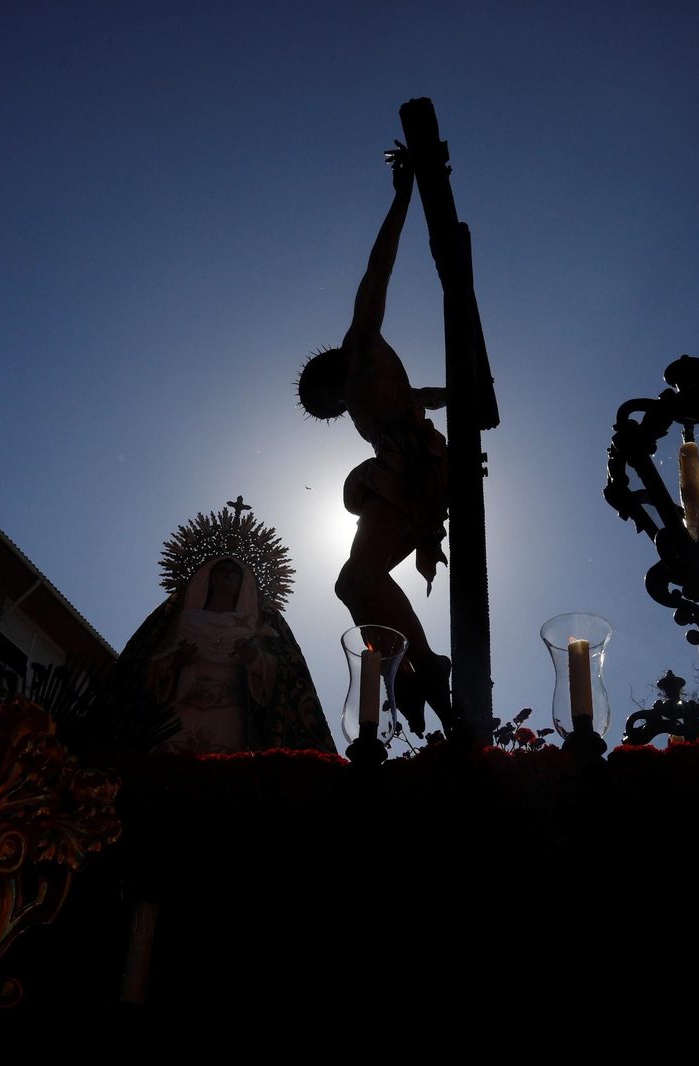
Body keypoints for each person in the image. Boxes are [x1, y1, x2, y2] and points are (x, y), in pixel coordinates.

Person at [298, 146, 452, 732]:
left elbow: (377, 269)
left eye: (325, 402)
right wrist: (450, 397)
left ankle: (424, 664)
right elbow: (422, 397)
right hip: (405, 465)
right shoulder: (372, 399)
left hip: (412, 466)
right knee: (349, 581)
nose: (337, 409)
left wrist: (402, 192)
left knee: (359, 576)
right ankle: (403, 668)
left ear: (328, 380)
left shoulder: (360, 345)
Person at [96, 508, 334, 753]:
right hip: (178, 715)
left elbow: (289, 675)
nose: (228, 575)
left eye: (234, 572)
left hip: (232, 718)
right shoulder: (180, 618)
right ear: (207, 576)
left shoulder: (261, 623)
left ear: (245, 582)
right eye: (222, 570)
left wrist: (256, 660)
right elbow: (140, 668)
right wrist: (171, 663)